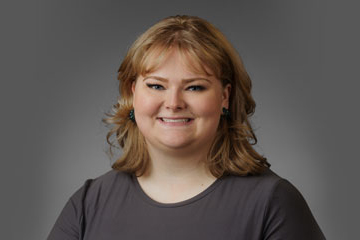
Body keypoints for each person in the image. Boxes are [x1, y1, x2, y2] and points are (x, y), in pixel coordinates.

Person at [47, 15, 326, 240]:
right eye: (156, 85)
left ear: (224, 96)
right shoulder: (88, 203)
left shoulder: (273, 203)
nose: (173, 102)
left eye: (194, 87)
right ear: (133, 94)